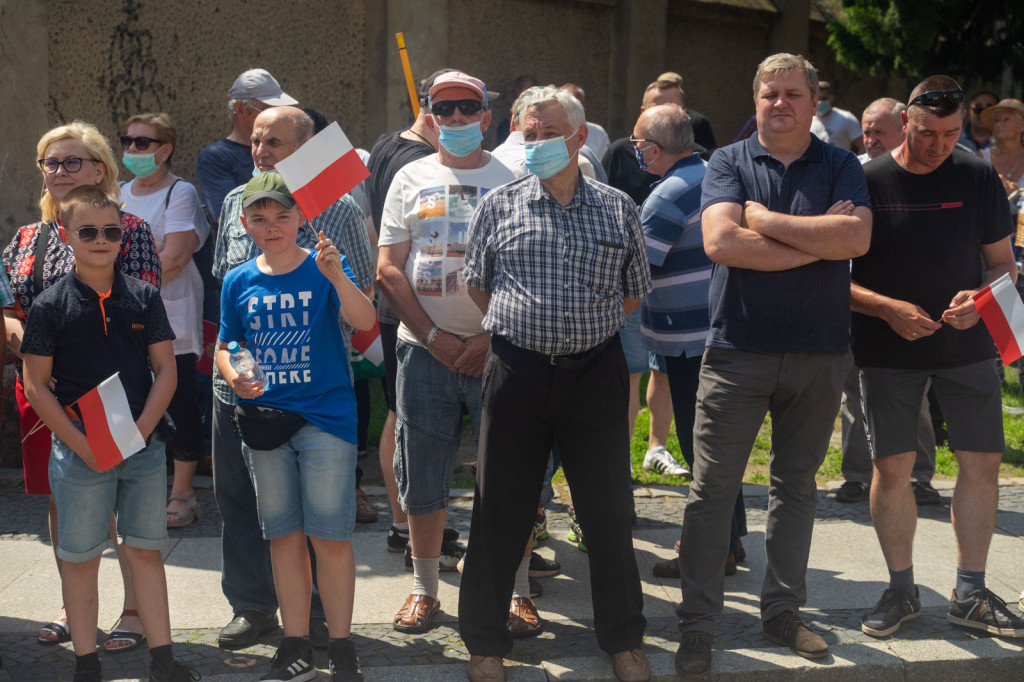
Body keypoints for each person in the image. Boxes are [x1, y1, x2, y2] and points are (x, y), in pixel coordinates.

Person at [674, 53, 871, 675]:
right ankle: (699, 625)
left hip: (820, 353)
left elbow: (856, 242)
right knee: (712, 493)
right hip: (738, 350)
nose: (779, 103)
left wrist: (767, 223)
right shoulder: (728, 162)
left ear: (816, 102)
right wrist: (816, 242)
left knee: (796, 489)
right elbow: (721, 243)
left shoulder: (840, 163)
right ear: (755, 100)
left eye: (791, 93)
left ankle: (784, 612)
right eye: (769, 93)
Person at [460, 85, 653, 682]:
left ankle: (623, 638)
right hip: (517, 372)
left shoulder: (618, 207)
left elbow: (632, 290)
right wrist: (530, 328)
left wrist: (581, 332)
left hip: (595, 374)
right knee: (500, 509)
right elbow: (477, 284)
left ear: (577, 136)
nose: (536, 142)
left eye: (547, 132)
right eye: (528, 133)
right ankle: (486, 644)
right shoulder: (499, 205)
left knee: (608, 511)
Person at [852, 76, 1024, 639]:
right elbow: (834, 275)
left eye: (951, 134)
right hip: (886, 348)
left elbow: (1003, 264)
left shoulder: (975, 175)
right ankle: (901, 588)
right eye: (927, 133)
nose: (938, 146)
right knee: (892, 469)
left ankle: (970, 589)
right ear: (905, 121)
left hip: (967, 345)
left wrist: (980, 300)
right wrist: (885, 309)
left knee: (981, 463)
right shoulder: (866, 178)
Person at [211, 106, 374, 649]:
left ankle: (330, 627)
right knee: (261, 520)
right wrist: (232, 371)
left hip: (321, 403)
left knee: (324, 529)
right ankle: (270, 620)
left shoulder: (338, 216)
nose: (260, 149)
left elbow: (364, 308)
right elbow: (227, 316)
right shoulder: (237, 220)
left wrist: (331, 274)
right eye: (255, 140)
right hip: (252, 403)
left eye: (274, 141)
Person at [21, 185, 194, 682]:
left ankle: (163, 662)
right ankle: (86, 665)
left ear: (124, 236)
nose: (101, 240)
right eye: (89, 231)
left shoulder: (144, 296)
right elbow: (36, 385)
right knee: (79, 558)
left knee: (144, 551)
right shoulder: (50, 305)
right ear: (65, 234)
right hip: (79, 452)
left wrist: (138, 434)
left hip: (141, 447)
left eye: (111, 231)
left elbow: (167, 372)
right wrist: (82, 446)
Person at [2, 120, 161, 653]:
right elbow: (7, 306)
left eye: (72, 162)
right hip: (43, 386)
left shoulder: (129, 227)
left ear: (99, 170)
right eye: (51, 162)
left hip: (112, 387)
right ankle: (76, 605)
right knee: (64, 496)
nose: (59, 171)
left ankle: (136, 612)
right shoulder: (25, 237)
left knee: (119, 495)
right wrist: (23, 335)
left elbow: (142, 303)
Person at [377, 70, 525, 639]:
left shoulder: (513, 176)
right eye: (446, 109)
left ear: (487, 116)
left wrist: (488, 337)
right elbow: (389, 268)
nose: (458, 119)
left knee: (510, 473)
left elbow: (527, 266)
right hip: (424, 352)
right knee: (422, 478)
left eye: (469, 109)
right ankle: (425, 589)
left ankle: (517, 590)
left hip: (502, 350)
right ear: (430, 114)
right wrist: (437, 338)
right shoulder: (409, 175)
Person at [630, 103, 748, 580]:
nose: (636, 151)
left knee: (700, 446)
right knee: (719, 445)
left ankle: (710, 550)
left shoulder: (666, 196)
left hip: (686, 341)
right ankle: (731, 541)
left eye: (638, 144)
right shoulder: (714, 176)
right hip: (721, 331)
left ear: (655, 149)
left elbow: (636, 269)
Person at [837, 98, 939, 505]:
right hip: (857, 296)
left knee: (917, 387)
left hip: (911, 297)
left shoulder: (926, 172)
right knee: (854, 389)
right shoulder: (851, 172)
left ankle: (920, 477)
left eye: (879, 130)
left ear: (902, 127)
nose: (870, 138)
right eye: (865, 130)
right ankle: (857, 476)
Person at [365, 69, 444, 555]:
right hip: (412, 308)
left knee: (400, 415)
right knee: (407, 418)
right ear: (431, 108)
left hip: (402, 305)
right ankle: (405, 524)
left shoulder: (385, 143)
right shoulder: (418, 161)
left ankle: (404, 522)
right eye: (453, 108)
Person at [120, 112, 209, 529]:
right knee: (130, 399)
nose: (132, 150)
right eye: (128, 141)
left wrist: (120, 291)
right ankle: (132, 484)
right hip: (121, 320)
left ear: (165, 149)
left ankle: (183, 492)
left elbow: (174, 256)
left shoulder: (180, 192)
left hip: (170, 316)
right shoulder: (117, 193)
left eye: (143, 143)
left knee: (179, 403)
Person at [196, 68, 298, 223]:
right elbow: (230, 219)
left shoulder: (289, 146)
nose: (276, 115)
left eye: (279, 109)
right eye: (267, 109)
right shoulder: (215, 158)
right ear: (240, 109)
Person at [977, 98, 1024, 200]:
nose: (999, 124)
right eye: (996, 120)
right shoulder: (979, 158)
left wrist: (1019, 197)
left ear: (1022, 125)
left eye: (1006, 119)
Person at [813, 80, 865, 154]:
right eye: (818, 99)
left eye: (824, 98)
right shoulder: (807, 119)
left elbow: (863, 145)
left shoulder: (846, 118)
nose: (820, 102)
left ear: (831, 98)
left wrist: (859, 164)